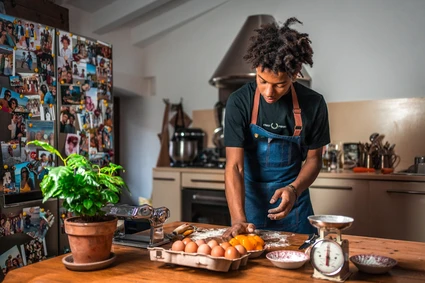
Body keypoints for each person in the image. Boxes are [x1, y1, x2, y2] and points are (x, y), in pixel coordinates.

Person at [222, 17, 330, 238]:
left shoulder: (313, 104)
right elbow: (235, 167)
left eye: (279, 84)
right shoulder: (239, 101)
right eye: (262, 80)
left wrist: (294, 189)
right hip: (249, 204)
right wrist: (238, 219)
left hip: (295, 205)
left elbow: (314, 160)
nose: (269, 92)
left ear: (295, 73)